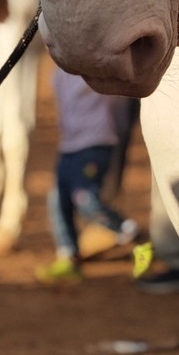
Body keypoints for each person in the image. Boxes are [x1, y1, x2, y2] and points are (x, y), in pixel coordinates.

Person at [35, 69, 141, 287]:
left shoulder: (97, 69)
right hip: (69, 146)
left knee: (85, 199)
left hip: (96, 143)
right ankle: (68, 257)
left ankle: (130, 233)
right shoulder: (59, 73)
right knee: (57, 199)